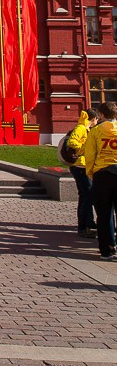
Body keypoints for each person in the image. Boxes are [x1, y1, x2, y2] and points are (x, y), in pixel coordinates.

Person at [83, 102, 117, 261]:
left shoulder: (95, 131)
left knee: (104, 215)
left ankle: (107, 250)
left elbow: (90, 155)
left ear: (102, 115)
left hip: (102, 174)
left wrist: (91, 173)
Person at [66, 109, 98, 238]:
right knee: (86, 195)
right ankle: (84, 226)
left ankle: (87, 223)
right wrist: (85, 149)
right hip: (80, 166)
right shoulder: (81, 128)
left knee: (87, 195)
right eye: (96, 119)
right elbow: (72, 142)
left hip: (83, 165)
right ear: (93, 119)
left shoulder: (85, 128)